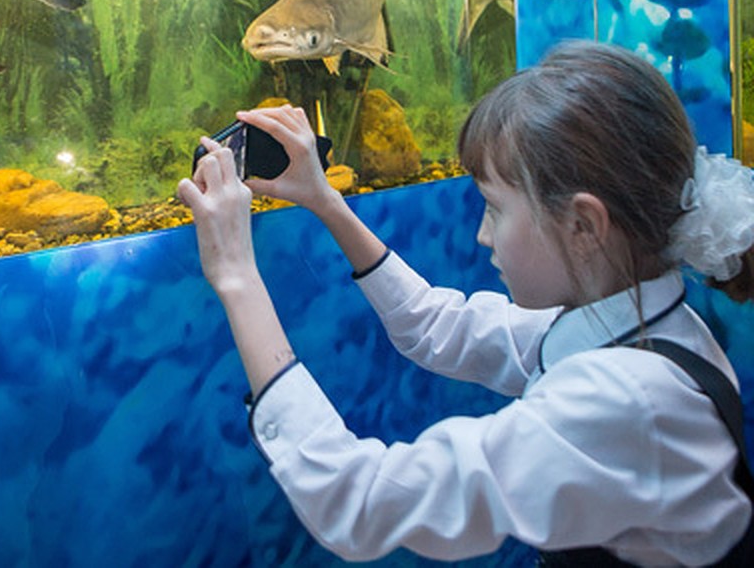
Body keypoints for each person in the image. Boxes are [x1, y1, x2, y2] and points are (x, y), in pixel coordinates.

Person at [177, 40, 754, 566]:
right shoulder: (641, 329)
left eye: (495, 208)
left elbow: (355, 502)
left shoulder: (625, 401)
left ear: (583, 225)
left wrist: (236, 274)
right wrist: (325, 201)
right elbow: (436, 327)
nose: (482, 235)